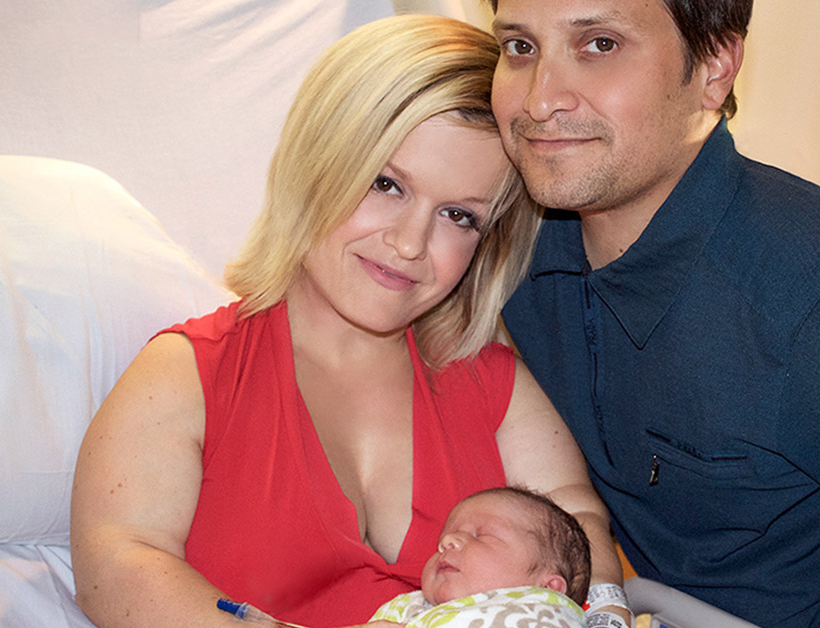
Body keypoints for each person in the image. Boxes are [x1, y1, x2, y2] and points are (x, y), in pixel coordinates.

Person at [70, 14, 625, 628]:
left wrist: (605, 613)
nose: (410, 243)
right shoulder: (189, 375)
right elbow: (117, 565)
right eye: (386, 184)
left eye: (459, 216)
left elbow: (577, 522)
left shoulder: (494, 386)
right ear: (318, 164)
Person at [487, 1, 820, 626]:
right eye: (520, 48)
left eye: (600, 44)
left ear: (715, 65)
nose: (540, 100)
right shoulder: (502, 248)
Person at [368, 487, 590, 628]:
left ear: (548, 588)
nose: (447, 541)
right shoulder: (404, 610)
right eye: (442, 540)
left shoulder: (542, 613)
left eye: (482, 536)